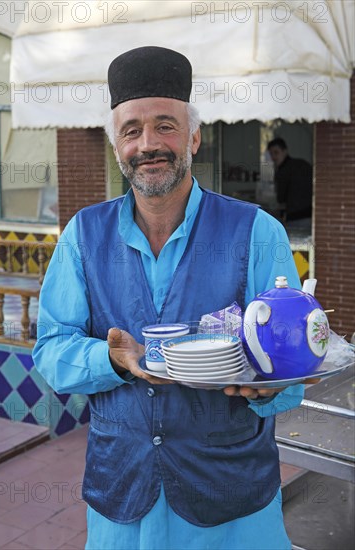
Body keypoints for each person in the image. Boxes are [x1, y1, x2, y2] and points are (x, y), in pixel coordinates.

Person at [34, 47, 316, 550]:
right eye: (131, 130)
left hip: (232, 502)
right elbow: (52, 350)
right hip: (122, 497)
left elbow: (292, 357)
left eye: (165, 125)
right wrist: (109, 359)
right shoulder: (82, 235)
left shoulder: (257, 232)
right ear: (115, 143)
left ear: (193, 135)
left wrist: (273, 386)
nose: (148, 144)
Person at [268, 137, 313, 223]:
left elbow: (281, 198)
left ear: (285, 151)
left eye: (276, 153)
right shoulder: (302, 163)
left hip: (295, 216)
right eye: (271, 154)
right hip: (309, 213)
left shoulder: (283, 170)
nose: (273, 157)